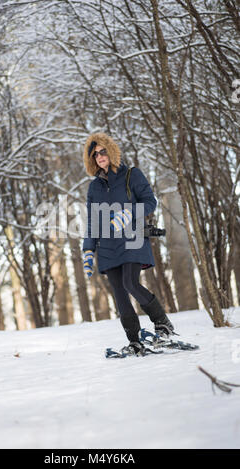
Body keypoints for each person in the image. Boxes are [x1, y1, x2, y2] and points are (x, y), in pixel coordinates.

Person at [82, 132, 174, 356]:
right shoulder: (94, 188)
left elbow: (150, 202)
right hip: (107, 247)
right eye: (95, 154)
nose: (100, 156)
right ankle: (134, 341)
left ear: (111, 151)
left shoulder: (132, 175)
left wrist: (128, 213)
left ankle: (162, 323)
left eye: (103, 151)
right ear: (91, 159)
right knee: (119, 294)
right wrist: (88, 250)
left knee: (130, 283)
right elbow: (93, 221)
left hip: (132, 239)